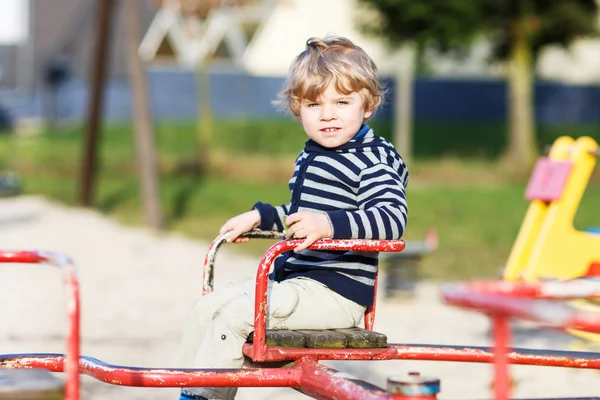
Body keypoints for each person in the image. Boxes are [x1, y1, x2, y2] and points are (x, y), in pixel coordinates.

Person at [178, 35, 409, 400]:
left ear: (368, 105)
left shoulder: (372, 160)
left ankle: (204, 398)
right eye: (314, 104)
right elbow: (300, 216)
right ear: (297, 107)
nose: (328, 114)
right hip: (297, 283)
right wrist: (261, 216)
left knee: (234, 317)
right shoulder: (314, 155)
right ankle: (187, 393)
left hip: (335, 292)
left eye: (342, 102)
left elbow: (391, 218)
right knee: (204, 308)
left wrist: (329, 224)